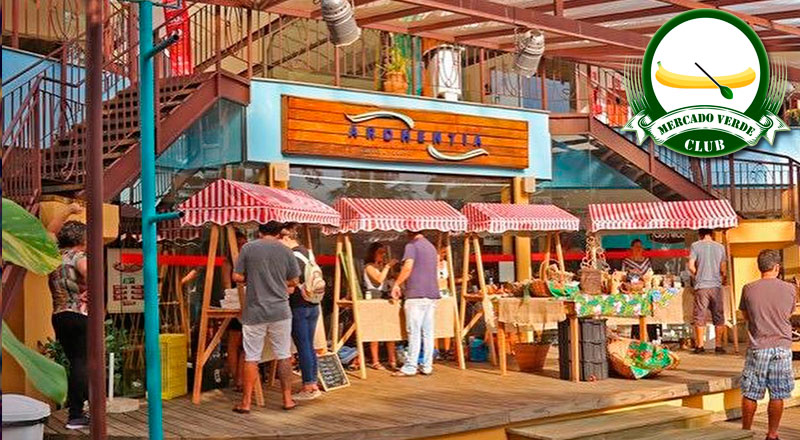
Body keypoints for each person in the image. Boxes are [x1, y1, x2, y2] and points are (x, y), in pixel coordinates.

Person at [232, 221, 300, 413]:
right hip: (280, 311)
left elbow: (236, 276)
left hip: (255, 311)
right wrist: (277, 281)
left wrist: (253, 278)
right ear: (278, 233)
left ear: (259, 232)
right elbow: (295, 280)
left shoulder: (248, 248)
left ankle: (246, 403)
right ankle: (287, 399)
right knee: (284, 354)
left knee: (252, 356)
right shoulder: (286, 251)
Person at [739, 249, 797, 440]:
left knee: (750, 392)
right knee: (777, 393)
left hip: (758, 346)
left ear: (759, 267)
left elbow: (746, 315)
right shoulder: (790, 289)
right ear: (777, 267)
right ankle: (772, 433)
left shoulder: (748, 288)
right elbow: (788, 313)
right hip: (782, 346)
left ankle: (745, 432)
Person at [182, 230, 247, 391]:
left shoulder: (246, 260)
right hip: (233, 304)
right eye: (239, 243)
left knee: (245, 344)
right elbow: (227, 286)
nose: (242, 246)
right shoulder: (227, 262)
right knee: (235, 341)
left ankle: (241, 378)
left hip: (246, 304)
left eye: (244, 243)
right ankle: (237, 379)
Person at [47, 203, 90, 429]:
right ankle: (75, 415)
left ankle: (83, 408)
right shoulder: (79, 255)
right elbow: (88, 273)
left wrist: (69, 209)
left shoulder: (53, 255)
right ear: (82, 238)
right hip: (79, 315)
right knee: (82, 362)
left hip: (59, 315)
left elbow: (49, 231)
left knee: (76, 362)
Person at [280, 223, 322, 401]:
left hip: (298, 305)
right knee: (308, 344)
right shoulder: (308, 252)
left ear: (286, 237)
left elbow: (291, 284)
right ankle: (313, 382)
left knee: (303, 345)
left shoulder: (292, 256)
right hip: (313, 303)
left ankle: (308, 385)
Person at [391, 231, 439, 377]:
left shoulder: (411, 246)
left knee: (414, 332)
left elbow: (408, 267)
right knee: (428, 333)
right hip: (431, 293)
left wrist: (396, 284)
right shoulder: (431, 247)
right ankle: (427, 366)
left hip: (416, 293)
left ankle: (410, 366)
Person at [688, 228, 727, 354]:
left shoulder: (695, 246)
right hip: (716, 286)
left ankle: (700, 346)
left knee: (700, 315)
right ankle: (718, 345)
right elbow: (723, 269)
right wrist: (721, 278)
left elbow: (691, 266)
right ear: (712, 234)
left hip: (701, 286)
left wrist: (698, 275)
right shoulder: (720, 247)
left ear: (700, 234)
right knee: (718, 315)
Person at [361, 242, 398, 370]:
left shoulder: (381, 266)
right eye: (380, 253)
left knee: (390, 329)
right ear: (373, 253)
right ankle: (375, 360)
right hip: (373, 297)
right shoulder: (369, 267)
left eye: (384, 253)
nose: (383, 255)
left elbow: (389, 279)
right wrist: (387, 267)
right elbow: (378, 279)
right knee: (375, 331)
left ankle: (392, 359)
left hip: (384, 297)